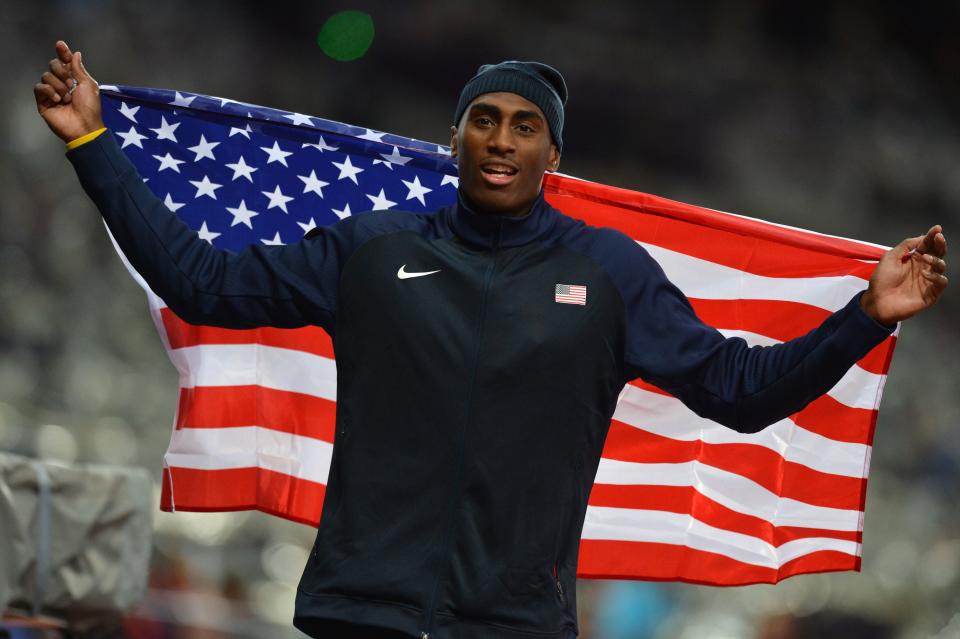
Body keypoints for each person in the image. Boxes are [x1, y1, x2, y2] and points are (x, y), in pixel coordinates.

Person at [35, 40, 947, 639]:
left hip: (514, 626)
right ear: (458, 134)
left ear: (553, 154)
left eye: (525, 126)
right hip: (363, 615)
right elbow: (202, 281)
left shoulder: (611, 273)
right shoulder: (374, 248)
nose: (501, 141)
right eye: (484, 119)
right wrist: (92, 144)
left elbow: (741, 390)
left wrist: (862, 317)